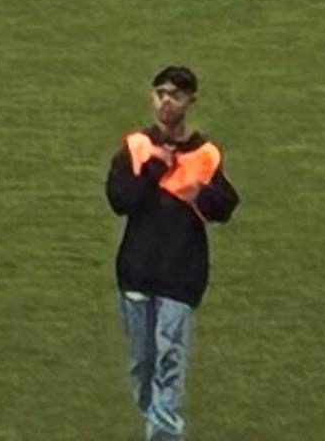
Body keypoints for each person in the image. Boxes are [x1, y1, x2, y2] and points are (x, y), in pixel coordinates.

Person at [104, 64, 237, 441]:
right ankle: (156, 420)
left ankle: (164, 435)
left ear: (190, 101)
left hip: (181, 276)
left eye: (175, 95)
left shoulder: (205, 153)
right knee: (142, 366)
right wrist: (152, 170)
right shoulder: (136, 147)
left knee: (168, 363)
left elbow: (226, 204)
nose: (166, 102)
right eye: (160, 93)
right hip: (136, 272)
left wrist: (202, 196)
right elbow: (119, 200)